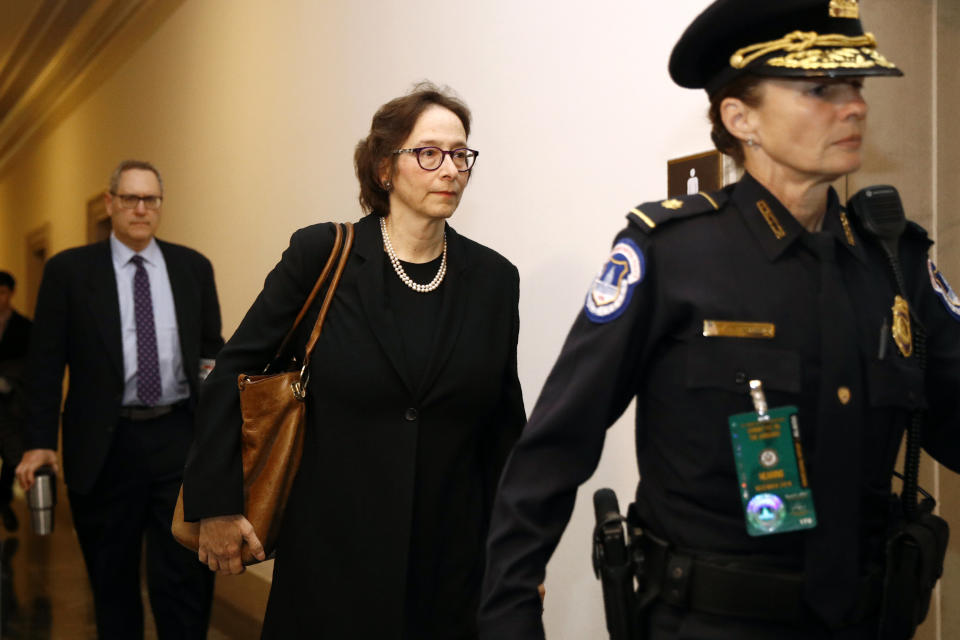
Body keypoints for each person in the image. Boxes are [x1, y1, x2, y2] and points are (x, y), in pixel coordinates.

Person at [479, 1, 960, 638]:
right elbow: (556, 446)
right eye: (820, 89)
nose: (854, 106)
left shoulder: (895, 262)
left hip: (867, 619)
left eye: (856, 86)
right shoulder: (673, 253)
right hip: (708, 621)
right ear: (741, 117)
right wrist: (509, 614)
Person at [182, 83, 526, 639]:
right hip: (332, 561)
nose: (451, 169)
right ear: (385, 168)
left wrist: (519, 552)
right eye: (429, 152)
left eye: (461, 154)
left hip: (451, 568)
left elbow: (504, 427)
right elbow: (231, 373)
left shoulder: (493, 280)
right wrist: (216, 506)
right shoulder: (323, 255)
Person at [15, 160, 223, 638]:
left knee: (185, 581)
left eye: (150, 199)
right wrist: (39, 441)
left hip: (179, 440)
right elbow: (45, 366)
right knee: (113, 588)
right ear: (109, 204)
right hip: (105, 447)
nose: (140, 209)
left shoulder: (192, 268)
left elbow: (211, 353)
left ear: (160, 207)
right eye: (129, 198)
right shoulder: (68, 272)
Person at [0, 271, 31, 531]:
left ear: (10, 294)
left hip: (11, 405)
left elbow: (32, 365)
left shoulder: (24, 327)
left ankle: (3, 501)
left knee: (11, 458)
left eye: (2, 292)